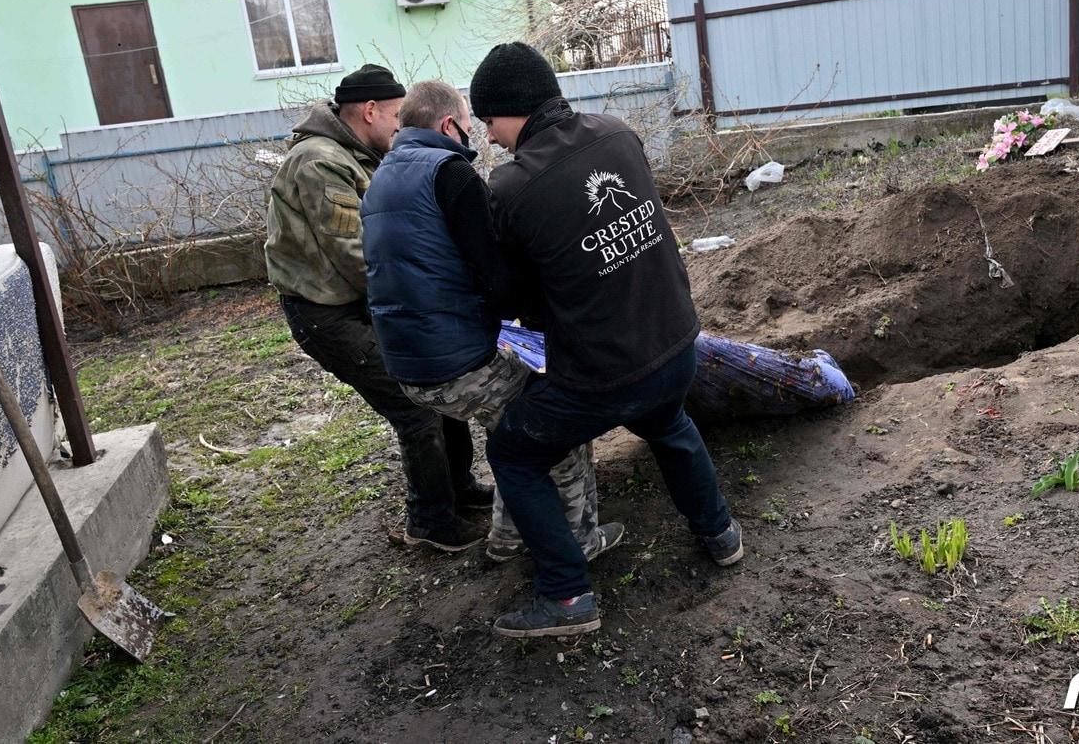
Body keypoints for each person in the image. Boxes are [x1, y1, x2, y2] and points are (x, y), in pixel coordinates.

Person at [471, 42, 742, 638]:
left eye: (489, 121)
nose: (488, 136)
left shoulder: (513, 186)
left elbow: (510, 295)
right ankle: (720, 533)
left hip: (604, 378)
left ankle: (566, 596)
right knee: (668, 422)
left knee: (512, 453)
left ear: (513, 110)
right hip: (675, 345)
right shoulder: (618, 134)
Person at [359, 80, 621, 562]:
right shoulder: (450, 173)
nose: (477, 136)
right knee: (558, 419)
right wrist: (549, 320)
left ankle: (508, 539)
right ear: (447, 125)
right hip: (460, 362)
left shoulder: (383, 176)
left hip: (409, 366)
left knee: (511, 430)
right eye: (467, 124)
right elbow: (498, 278)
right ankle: (582, 541)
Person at [264, 64, 490, 552]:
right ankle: (430, 523)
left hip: (361, 304)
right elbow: (358, 254)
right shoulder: (319, 162)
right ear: (370, 112)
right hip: (328, 314)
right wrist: (424, 301)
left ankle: (459, 489)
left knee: (437, 382)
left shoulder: (356, 153)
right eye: (395, 118)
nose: (401, 128)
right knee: (415, 404)